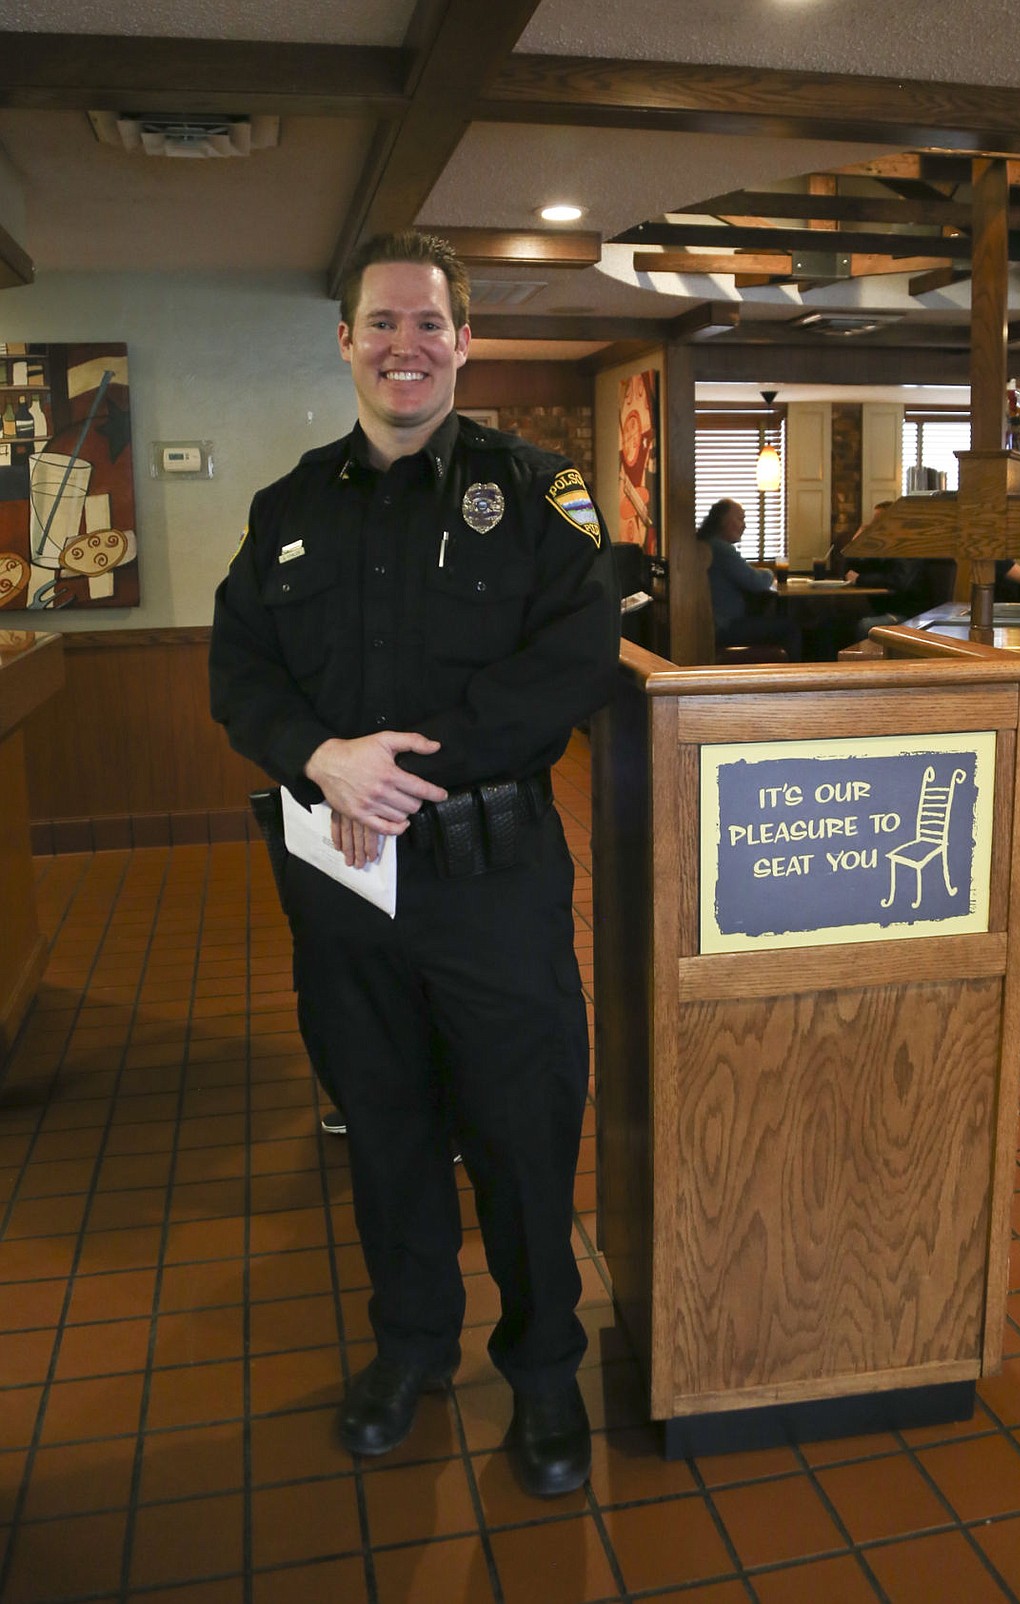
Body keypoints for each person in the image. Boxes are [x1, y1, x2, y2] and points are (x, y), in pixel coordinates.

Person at [209, 229, 620, 1497]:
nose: (406, 345)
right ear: (345, 340)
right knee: (383, 1124)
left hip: (491, 880)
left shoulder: (540, 493)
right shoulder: (287, 510)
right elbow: (240, 674)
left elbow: (575, 655)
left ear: (465, 340)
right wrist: (320, 757)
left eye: (430, 324)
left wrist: (396, 770)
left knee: (521, 1125)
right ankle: (412, 1347)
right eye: (382, 323)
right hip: (340, 876)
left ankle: (545, 1371)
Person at [698, 498, 801, 657]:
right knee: (790, 628)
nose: (744, 525)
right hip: (724, 628)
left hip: (711, 626)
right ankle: (794, 679)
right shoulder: (721, 549)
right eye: (740, 519)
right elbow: (756, 582)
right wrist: (769, 572)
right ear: (722, 521)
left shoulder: (706, 544)